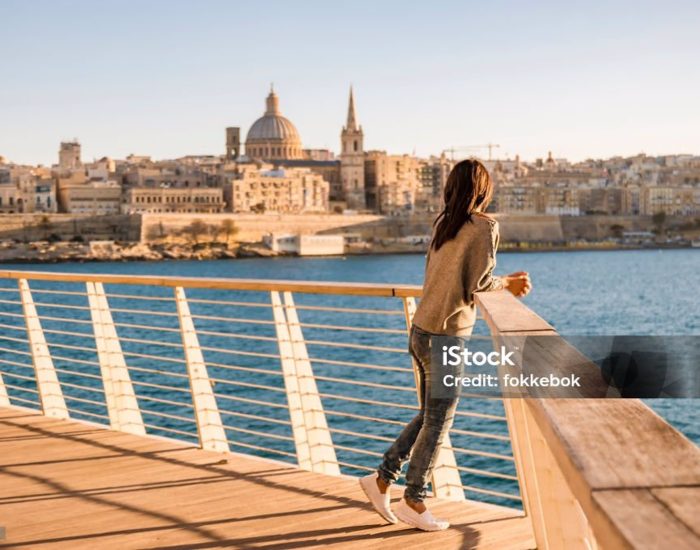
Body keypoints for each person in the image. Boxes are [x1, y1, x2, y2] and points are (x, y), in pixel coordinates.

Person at [359, 158, 532, 531]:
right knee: (439, 419)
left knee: (429, 416)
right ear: (483, 190)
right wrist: (510, 285)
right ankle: (414, 500)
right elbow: (479, 285)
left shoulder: (443, 223)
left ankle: (381, 479)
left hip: (420, 330)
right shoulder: (486, 227)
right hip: (447, 335)